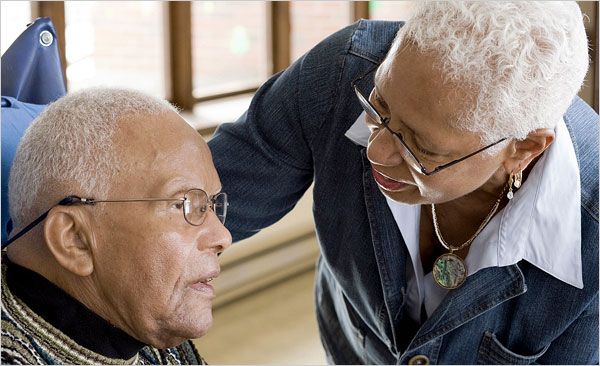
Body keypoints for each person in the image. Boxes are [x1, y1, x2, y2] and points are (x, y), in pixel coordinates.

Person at [208, 2, 598, 364]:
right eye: (378, 107)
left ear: (524, 148)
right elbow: (193, 207)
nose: (376, 151)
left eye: (421, 148)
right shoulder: (341, 71)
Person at [1, 88, 231, 364]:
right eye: (183, 205)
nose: (223, 237)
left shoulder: (139, 324)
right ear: (74, 240)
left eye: (210, 205)